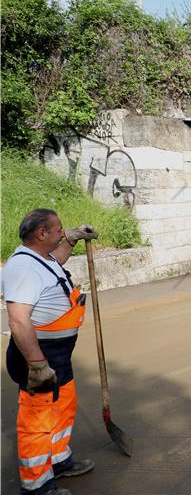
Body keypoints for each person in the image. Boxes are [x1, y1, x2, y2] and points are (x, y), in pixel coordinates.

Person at [3, 209, 98, 495]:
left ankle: (58, 461)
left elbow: (56, 262)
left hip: (58, 354)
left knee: (63, 407)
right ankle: (36, 485)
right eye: (58, 229)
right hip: (37, 356)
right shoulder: (22, 268)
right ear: (41, 234)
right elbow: (18, 320)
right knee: (37, 421)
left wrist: (71, 240)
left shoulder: (41, 259)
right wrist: (37, 365)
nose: (62, 231)